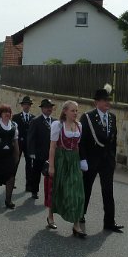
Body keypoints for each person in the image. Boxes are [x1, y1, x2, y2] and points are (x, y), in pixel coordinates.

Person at [80, 84, 124, 233]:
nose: (107, 103)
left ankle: (109, 222)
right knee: (86, 189)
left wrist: (113, 158)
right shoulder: (87, 117)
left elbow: (113, 140)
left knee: (108, 191)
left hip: (107, 161)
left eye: (108, 100)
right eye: (104, 100)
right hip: (91, 160)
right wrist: (83, 159)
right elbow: (82, 140)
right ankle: (80, 215)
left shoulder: (112, 117)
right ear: (96, 102)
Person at [48, 100, 87, 238]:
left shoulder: (79, 126)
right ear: (65, 111)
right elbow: (52, 147)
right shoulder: (58, 125)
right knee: (58, 188)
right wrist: (51, 166)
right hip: (61, 159)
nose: (75, 113)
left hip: (74, 160)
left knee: (77, 192)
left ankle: (76, 225)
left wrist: (82, 161)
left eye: (76, 110)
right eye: (72, 110)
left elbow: (79, 146)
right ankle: (50, 215)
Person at [26, 98, 55, 200]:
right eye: (47, 107)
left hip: (51, 153)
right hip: (39, 152)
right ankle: (34, 191)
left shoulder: (55, 122)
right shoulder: (36, 121)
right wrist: (32, 152)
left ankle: (50, 193)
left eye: (50, 107)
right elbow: (31, 138)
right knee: (36, 173)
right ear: (42, 109)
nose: (49, 109)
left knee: (51, 174)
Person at [11, 96, 35, 193]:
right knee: (15, 162)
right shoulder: (16, 117)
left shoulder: (33, 118)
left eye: (28, 105)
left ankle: (29, 185)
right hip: (19, 143)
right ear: (22, 105)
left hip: (29, 144)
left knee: (29, 164)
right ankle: (11, 182)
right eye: (25, 104)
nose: (26, 106)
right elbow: (13, 130)